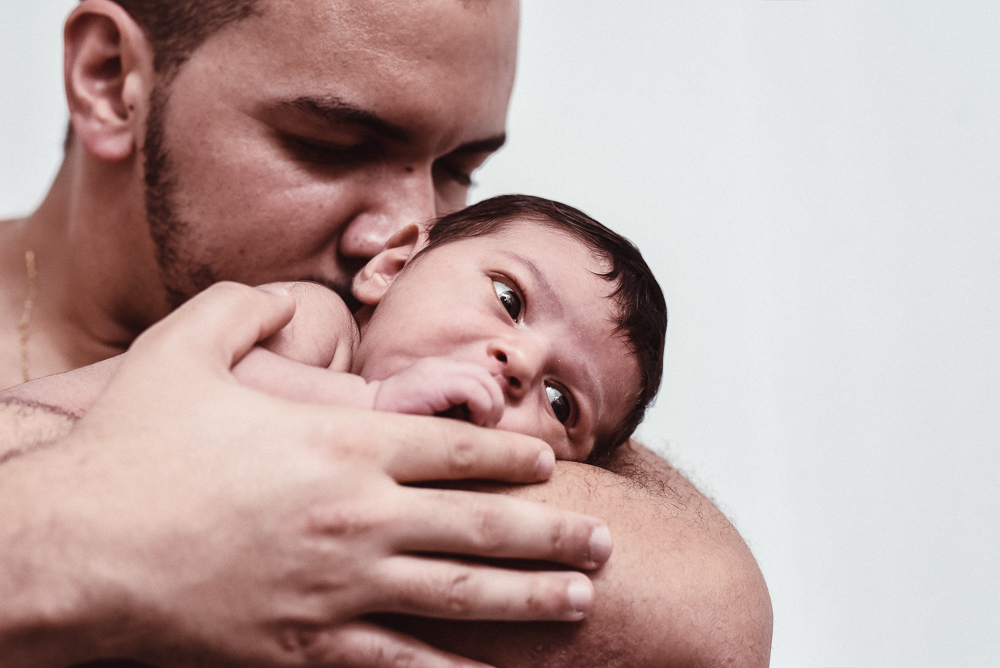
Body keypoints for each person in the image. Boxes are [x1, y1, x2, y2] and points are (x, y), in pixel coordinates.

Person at [0, 1, 772, 667]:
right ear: (109, 79)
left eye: (457, 168)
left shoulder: (454, 358)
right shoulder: (316, 325)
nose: (410, 229)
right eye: (335, 145)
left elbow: (710, 621)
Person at [13, 195, 668, 465]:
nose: (521, 361)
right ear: (391, 266)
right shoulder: (318, 325)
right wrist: (372, 405)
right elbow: (197, 386)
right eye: (508, 297)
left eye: (562, 403)